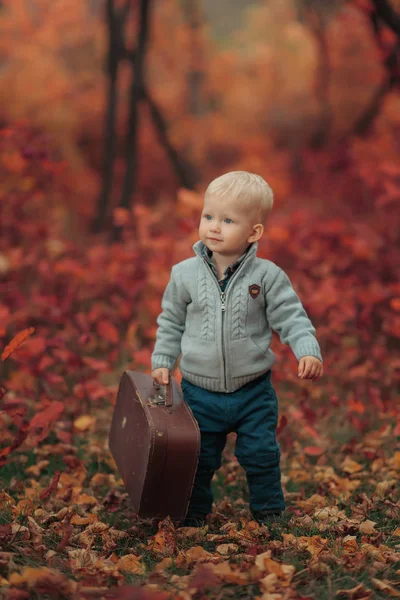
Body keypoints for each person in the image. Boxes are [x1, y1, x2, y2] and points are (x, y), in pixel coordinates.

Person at [151, 171, 323, 527]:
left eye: (228, 220)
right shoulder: (183, 275)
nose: (214, 226)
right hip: (200, 390)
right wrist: (163, 360)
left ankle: (269, 512)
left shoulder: (268, 276)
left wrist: (306, 348)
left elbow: (291, 317)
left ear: (253, 232)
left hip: (253, 391)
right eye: (208, 216)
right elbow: (170, 321)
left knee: (261, 453)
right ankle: (194, 513)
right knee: (198, 457)